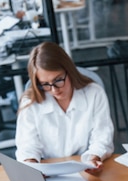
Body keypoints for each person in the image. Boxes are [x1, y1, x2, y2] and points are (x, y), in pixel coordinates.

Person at [15, 42, 114, 174]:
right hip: (47, 172)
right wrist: (32, 167)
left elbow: (102, 137)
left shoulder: (94, 93)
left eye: (58, 80)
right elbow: (27, 146)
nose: (54, 90)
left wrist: (94, 158)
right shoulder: (31, 102)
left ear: (69, 70)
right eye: (45, 84)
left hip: (84, 169)